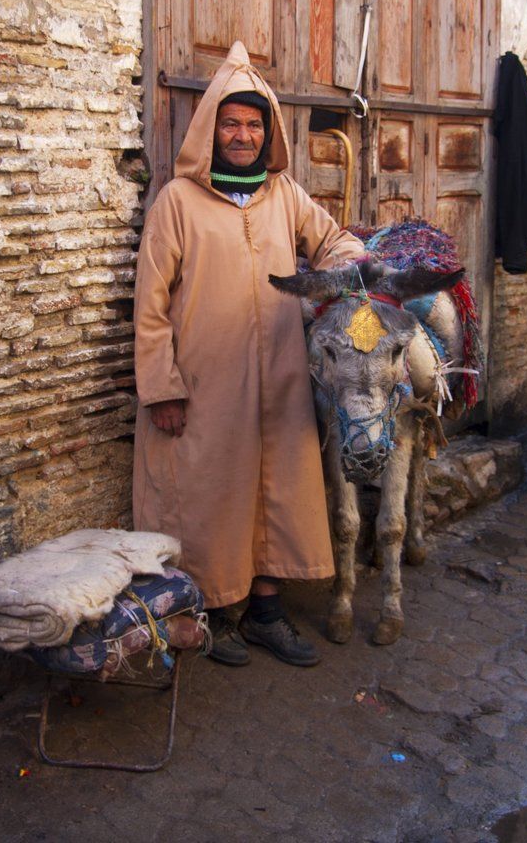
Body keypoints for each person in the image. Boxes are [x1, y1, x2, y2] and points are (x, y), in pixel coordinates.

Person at [133, 42, 364, 666]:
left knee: (277, 493)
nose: (242, 135)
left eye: (253, 124)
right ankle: (216, 614)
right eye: (231, 123)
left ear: (268, 133)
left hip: (281, 380)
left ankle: (266, 613)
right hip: (206, 385)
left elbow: (336, 243)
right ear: (211, 129)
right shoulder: (177, 203)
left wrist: (347, 279)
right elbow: (151, 307)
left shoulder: (283, 194)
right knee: (211, 495)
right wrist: (162, 387)